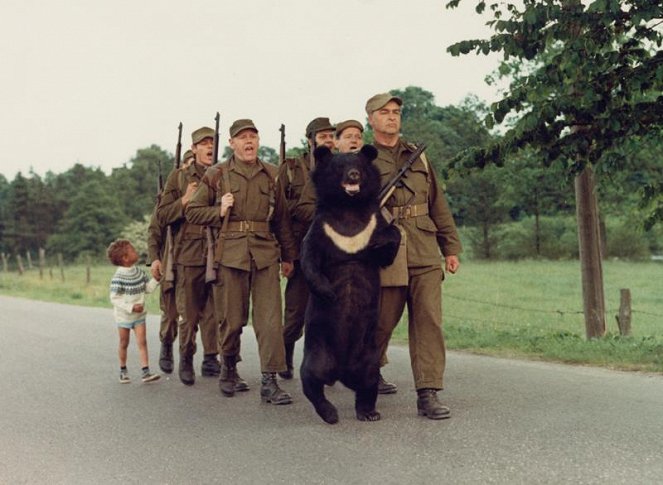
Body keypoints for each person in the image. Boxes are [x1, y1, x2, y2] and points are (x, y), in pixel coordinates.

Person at [186, 119, 298, 405]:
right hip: (231, 255)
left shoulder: (272, 175)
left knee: (271, 320)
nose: (249, 142)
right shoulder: (217, 174)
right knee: (232, 320)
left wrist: (288, 256)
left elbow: (283, 220)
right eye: (242, 138)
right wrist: (218, 210)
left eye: (253, 137)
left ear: (259, 142)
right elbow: (193, 213)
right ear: (232, 144)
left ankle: (269, 381)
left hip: (265, 254)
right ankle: (229, 366)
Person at [366, 92, 462, 420]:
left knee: (428, 321)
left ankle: (428, 391)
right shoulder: (361, 159)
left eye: (396, 112)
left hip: (423, 245)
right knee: (381, 322)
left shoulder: (417, 157)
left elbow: (438, 203)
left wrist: (450, 248)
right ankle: (366, 374)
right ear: (371, 119)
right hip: (385, 249)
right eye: (384, 113)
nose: (392, 117)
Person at [156, 127, 219, 385]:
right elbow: (161, 217)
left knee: (215, 313)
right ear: (194, 149)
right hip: (189, 253)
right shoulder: (179, 178)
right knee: (188, 314)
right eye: (204, 144)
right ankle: (185, 356)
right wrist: (184, 201)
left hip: (218, 251)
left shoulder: (224, 172)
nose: (209, 147)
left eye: (212, 143)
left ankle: (213, 358)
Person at [276, 117, 335, 379]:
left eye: (331, 136)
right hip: (303, 251)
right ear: (310, 141)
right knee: (295, 314)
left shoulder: (340, 166)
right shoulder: (292, 169)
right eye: (323, 137)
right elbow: (285, 210)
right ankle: (285, 350)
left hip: (333, 254)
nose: (329, 141)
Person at [146, 149, 194, 374]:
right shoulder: (167, 202)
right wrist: (155, 259)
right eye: (188, 165)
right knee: (171, 311)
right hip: (169, 260)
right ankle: (166, 344)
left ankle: (196, 356)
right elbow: (154, 232)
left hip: (193, 259)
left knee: (192, 311)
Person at [107, 239, 161, 384]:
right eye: (132, 250)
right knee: (124, 343)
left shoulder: (139, 272)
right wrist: (130, 307)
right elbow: (114, 298)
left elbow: (147, 288)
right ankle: (123, 371)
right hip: (123, 317)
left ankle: (145, 372)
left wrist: (156, 280)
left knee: (142, 342)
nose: (136, 251)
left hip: (139, 316)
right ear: (125, 258)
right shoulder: (118, 277)